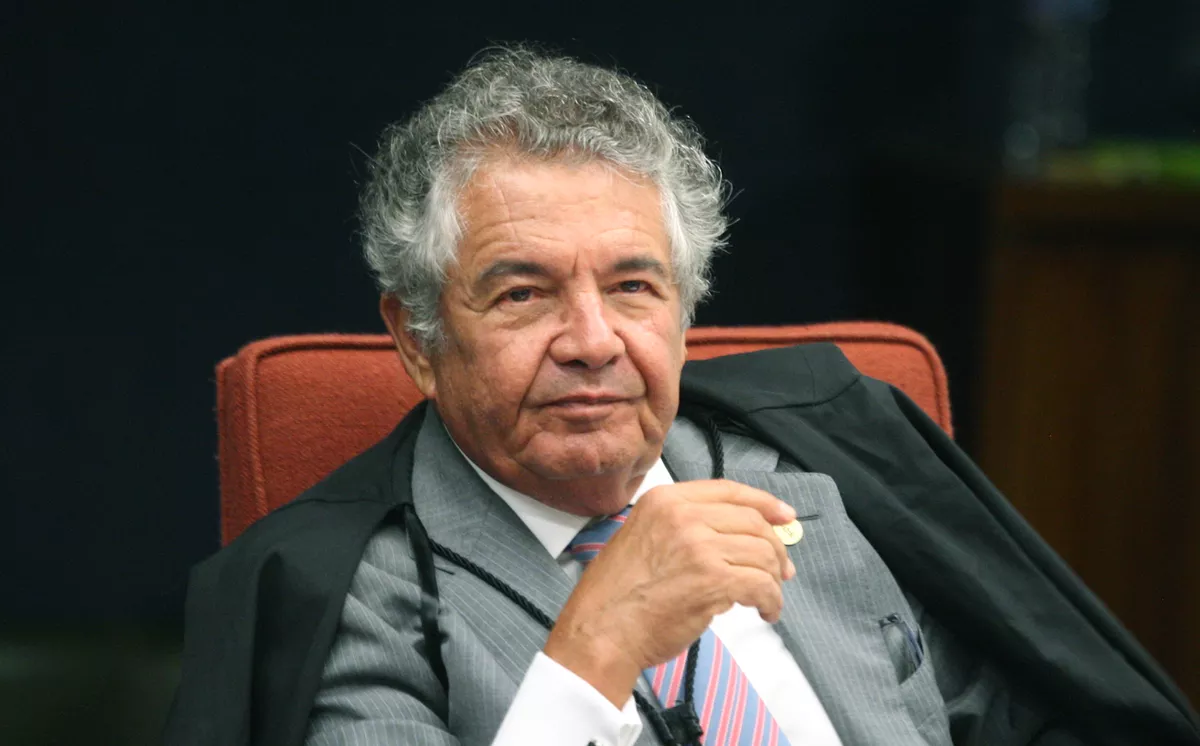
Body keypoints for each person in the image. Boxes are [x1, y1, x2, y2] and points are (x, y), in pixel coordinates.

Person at [163, 46, 1200, 746]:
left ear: (685, 311)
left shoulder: (815, 475)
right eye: (523, 293)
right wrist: (595, 649)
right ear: (418, 340)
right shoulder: (357, 596)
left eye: (633, 286)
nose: (593, 341)